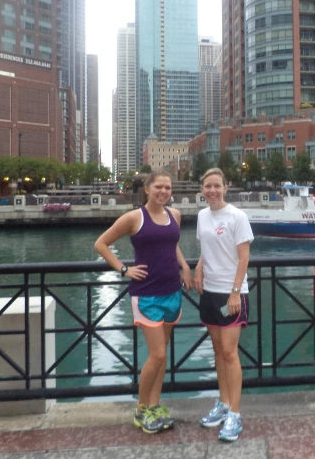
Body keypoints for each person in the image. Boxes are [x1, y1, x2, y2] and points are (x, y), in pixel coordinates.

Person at [94, 170, 191, 435]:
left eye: (168, 188)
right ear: (147, 188)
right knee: (157, 354)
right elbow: (101, 244)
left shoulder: (175, 215)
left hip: (173, 290)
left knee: (163, 356)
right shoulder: (134, 217)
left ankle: (155, 405)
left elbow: (173, 245)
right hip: (146, 293)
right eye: (159, 186)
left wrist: (185, 267)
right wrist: (123, 269)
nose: (163, 191)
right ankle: (141, 409)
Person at [192, 168, 254, 442]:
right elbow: (206, 249)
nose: (212, 190)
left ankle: (236, 415)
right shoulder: (202, 216)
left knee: (230, 353)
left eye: (217, 185)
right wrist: (197, 268)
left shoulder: (237, 217)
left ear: (225, 187)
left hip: (231, 293)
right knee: (218, 351)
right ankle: (224, 403)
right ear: (202, 189)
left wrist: (235, 292)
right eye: (208, 186)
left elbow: (244, 258)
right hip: (209, 291)